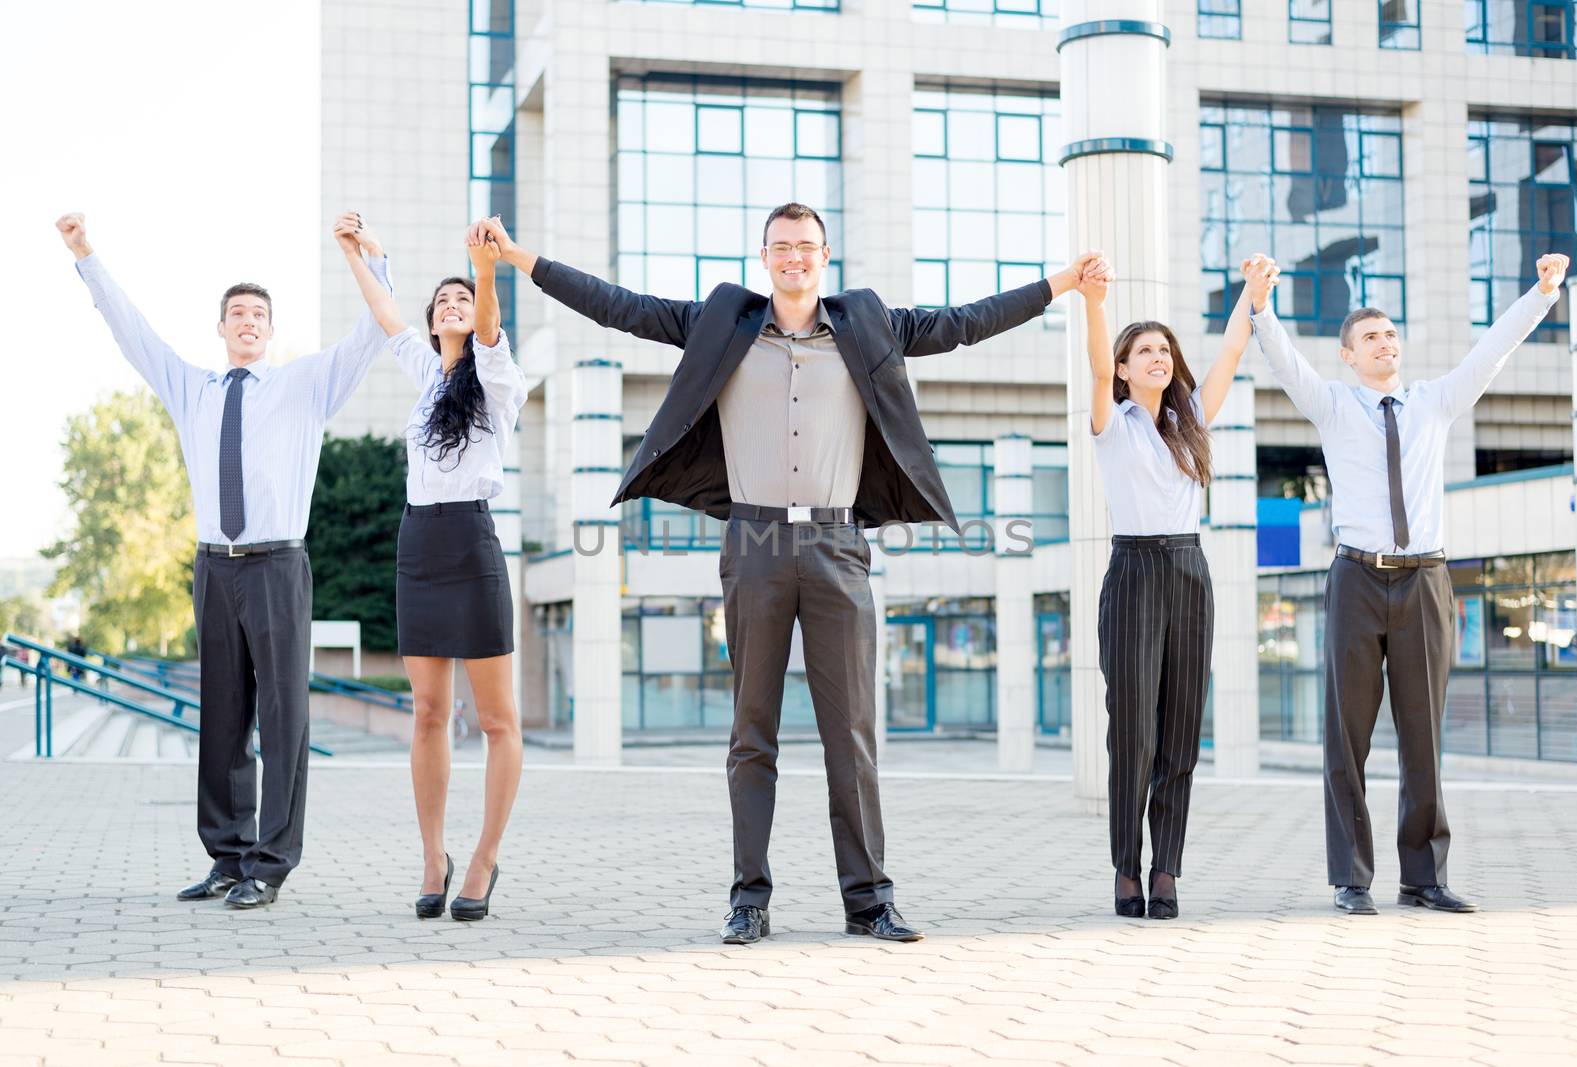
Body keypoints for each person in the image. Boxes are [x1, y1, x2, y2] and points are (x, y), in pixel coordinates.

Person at [469, 205, 1104, 944]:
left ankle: (869, 901)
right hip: (755, 541)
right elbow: (622, 308)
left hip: (838, 546)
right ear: (763, 255)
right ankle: (749, 898)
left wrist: (1064, 283)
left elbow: (966, 320)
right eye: (782, 247)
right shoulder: (724, 321)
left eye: (806, 246)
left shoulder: (869, 325)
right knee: (751, 732)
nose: (794, 257)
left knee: (852, 733)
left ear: (825, 255)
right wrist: (517, 257)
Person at [57, 211, 394, 909]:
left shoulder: (305, 384)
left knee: (283, 717)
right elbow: (132, 332)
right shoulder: (194, 390)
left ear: (269, 329)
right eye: (236, 312)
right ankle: (228, 854)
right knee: (222, 716)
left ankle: (270, 863)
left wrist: (371, 260)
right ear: (221, 327)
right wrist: (86, 254)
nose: (247, 321)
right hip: (215, 567)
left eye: (258, 313)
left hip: (276, 565)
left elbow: (371, 334)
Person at [1244, 250, 1570, 915]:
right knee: (1348, 736)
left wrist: (1540, 293)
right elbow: (1281, 361)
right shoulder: (1332, 406)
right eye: (1371, 337)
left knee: (1423, 738)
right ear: (1348, 355)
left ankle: (1423, 877)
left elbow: (1493, 351)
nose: (1385, 343)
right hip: (1357, 580)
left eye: (1391, 334)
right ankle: (1351, 879)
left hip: (1424, 580)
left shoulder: (1434, 403)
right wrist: (1259, 304)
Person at [336, 215, 526, 921]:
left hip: (471, 544)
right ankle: (432, 854)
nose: (450, 306)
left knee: (497, 719)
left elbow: (485, 321)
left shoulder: (497, 376)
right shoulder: (423, 374)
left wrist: (482, 270)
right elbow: (385, 313)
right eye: (439, 301)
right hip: (418, 544)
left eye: (460, 301)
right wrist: (354, 253)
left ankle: (484, 856)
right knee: (427, 713)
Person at [1077, 257, 1256, 920]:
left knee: (1181, 730)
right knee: (1133, 732)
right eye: (1143, 349)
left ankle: (1168, 868)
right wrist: (1095, 303)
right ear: (1126, 367)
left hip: (1189, 572)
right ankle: (1127, 867)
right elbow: (1096, 369)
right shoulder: (1111, 423)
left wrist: (1252, 294)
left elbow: (1233, 348)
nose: (1157, 356)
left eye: (1164, 348)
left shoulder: (1191, 423)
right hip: (1133, 574)